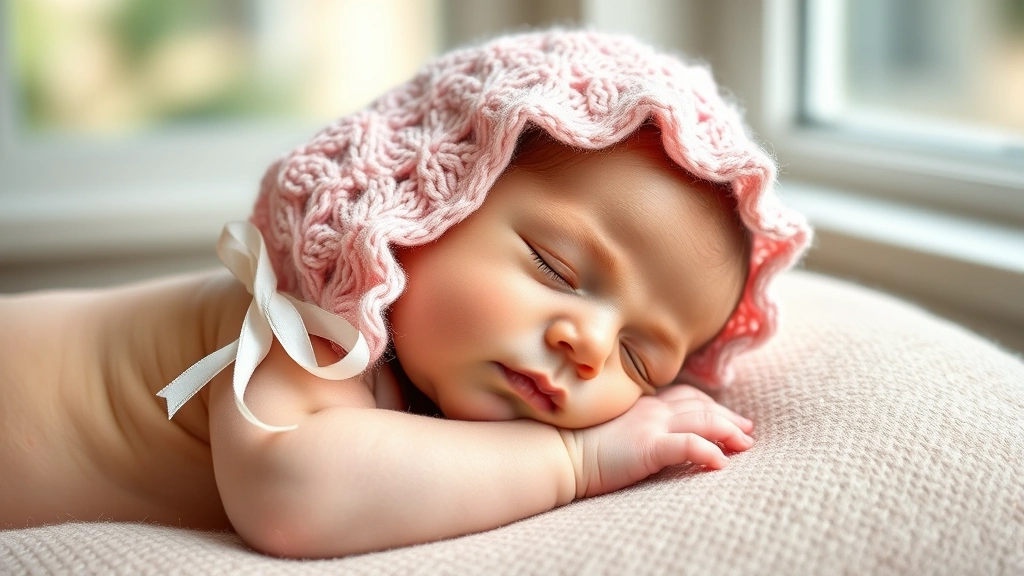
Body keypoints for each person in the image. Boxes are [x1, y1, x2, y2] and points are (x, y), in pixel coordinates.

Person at [0, 29, 810, 558]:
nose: (590, 346)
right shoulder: (310, 324)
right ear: (420, 211)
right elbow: (296, 495)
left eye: (640, 355)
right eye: (556, 269)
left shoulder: (425, 382)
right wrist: (574, 459)